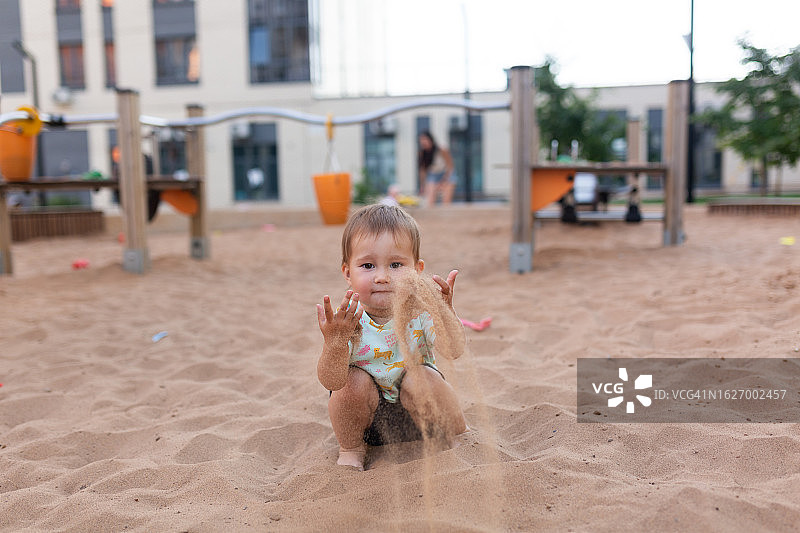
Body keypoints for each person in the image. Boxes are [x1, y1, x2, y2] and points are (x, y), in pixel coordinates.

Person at [316, 203, 467, 471]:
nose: (382, 277)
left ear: (417, 270)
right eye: (368, 265)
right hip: (368, 426)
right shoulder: (348, 320)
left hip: (421, 418)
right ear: (347, 273)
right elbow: (331, 380)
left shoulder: (420, 310)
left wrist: (445, 312)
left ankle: (456, 435)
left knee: (422, 376)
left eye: (396, 264)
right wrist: (334, 343)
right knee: (351, 383)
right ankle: (350, 450)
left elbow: (453, 350)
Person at [418, 131, 455, 206]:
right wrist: (422, 185)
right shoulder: (422, 153)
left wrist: (444, 181)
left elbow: (450, 166)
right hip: (433, 175)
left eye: (425, 140)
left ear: (431, 140)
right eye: (421, 140)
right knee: (430, 201)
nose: (423, 142)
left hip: (446, 174)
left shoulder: (442, 150)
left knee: (446, 202)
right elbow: (423, 171)